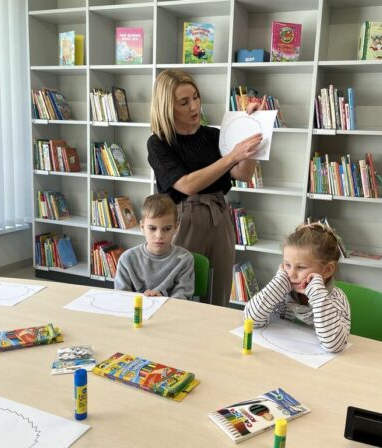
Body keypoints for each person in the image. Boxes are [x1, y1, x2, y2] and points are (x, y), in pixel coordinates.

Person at [147, 69, 265, 307]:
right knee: (179, 291)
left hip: (219, 214)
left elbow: (243, 173)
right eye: (184, 102)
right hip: (183, 217)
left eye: (196, 97)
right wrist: (232, 156)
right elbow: (187, 184)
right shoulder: (159, 143)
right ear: (167, 107)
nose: (194, 106)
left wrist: (254, 129)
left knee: (219, 290)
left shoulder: (213, 136)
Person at [244, 220, 351, 353]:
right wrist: (276, 285)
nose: (291, 274)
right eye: (287, 265)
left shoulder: (337, 300)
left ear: (327, 270)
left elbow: (333, 345)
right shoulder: (281, 291)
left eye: (301, 267)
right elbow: (251, 320)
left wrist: (317, 295)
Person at [114, 193, 194, 300]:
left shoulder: (185, 259)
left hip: (169, 310)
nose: (159, 236)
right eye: (152, 228)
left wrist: (162, 300)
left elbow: (183, 296)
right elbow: (121, 297)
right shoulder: (127, 259)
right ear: (142, 227)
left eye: (167, 229)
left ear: (176, 228)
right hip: (136, 310)